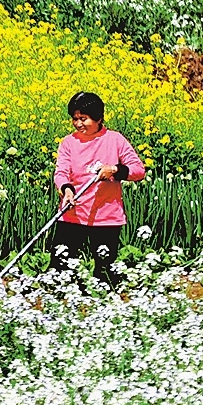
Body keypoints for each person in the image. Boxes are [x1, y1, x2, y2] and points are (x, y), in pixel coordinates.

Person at [52, 92, 145, 283]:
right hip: (73, 213)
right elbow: (61, 173)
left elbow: (138, 170)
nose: (78, 124)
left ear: (99, 118)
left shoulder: (115, 140)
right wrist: (67, 190)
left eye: (83, 119)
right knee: (60, 269)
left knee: (105, 274)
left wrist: (114, 170)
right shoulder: (69, 143)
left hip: (106, 216)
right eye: (75, 119)